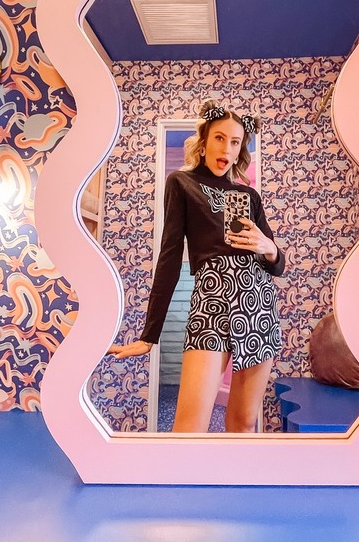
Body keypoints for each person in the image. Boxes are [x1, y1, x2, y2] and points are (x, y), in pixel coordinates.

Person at [109, 100, 285, 433]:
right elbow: (170, 257)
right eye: (220, 138)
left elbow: (278, 267)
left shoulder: (250, 197)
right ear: (204, 141)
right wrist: (150, 336)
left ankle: (234, 485)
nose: (227, 148)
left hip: (258, 303)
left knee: (244, 423)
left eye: (235, 142)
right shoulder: (181, 183)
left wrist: (270, 248)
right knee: (188, 428)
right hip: (212, 301)